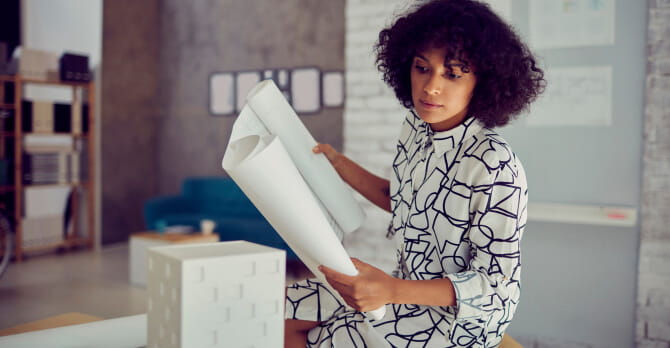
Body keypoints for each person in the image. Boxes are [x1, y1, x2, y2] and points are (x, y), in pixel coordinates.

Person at [285, 0, 545, 346]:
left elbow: (495, 287)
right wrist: (338, 164)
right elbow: (406, 201)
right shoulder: (417, 130)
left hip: (459, 322)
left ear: (482, 82)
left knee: (322, 338)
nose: (430, 87)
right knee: (282, 309)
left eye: (452, 74)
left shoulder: (493, 164)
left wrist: (391, 290)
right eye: (422, 68)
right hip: (402, 294)